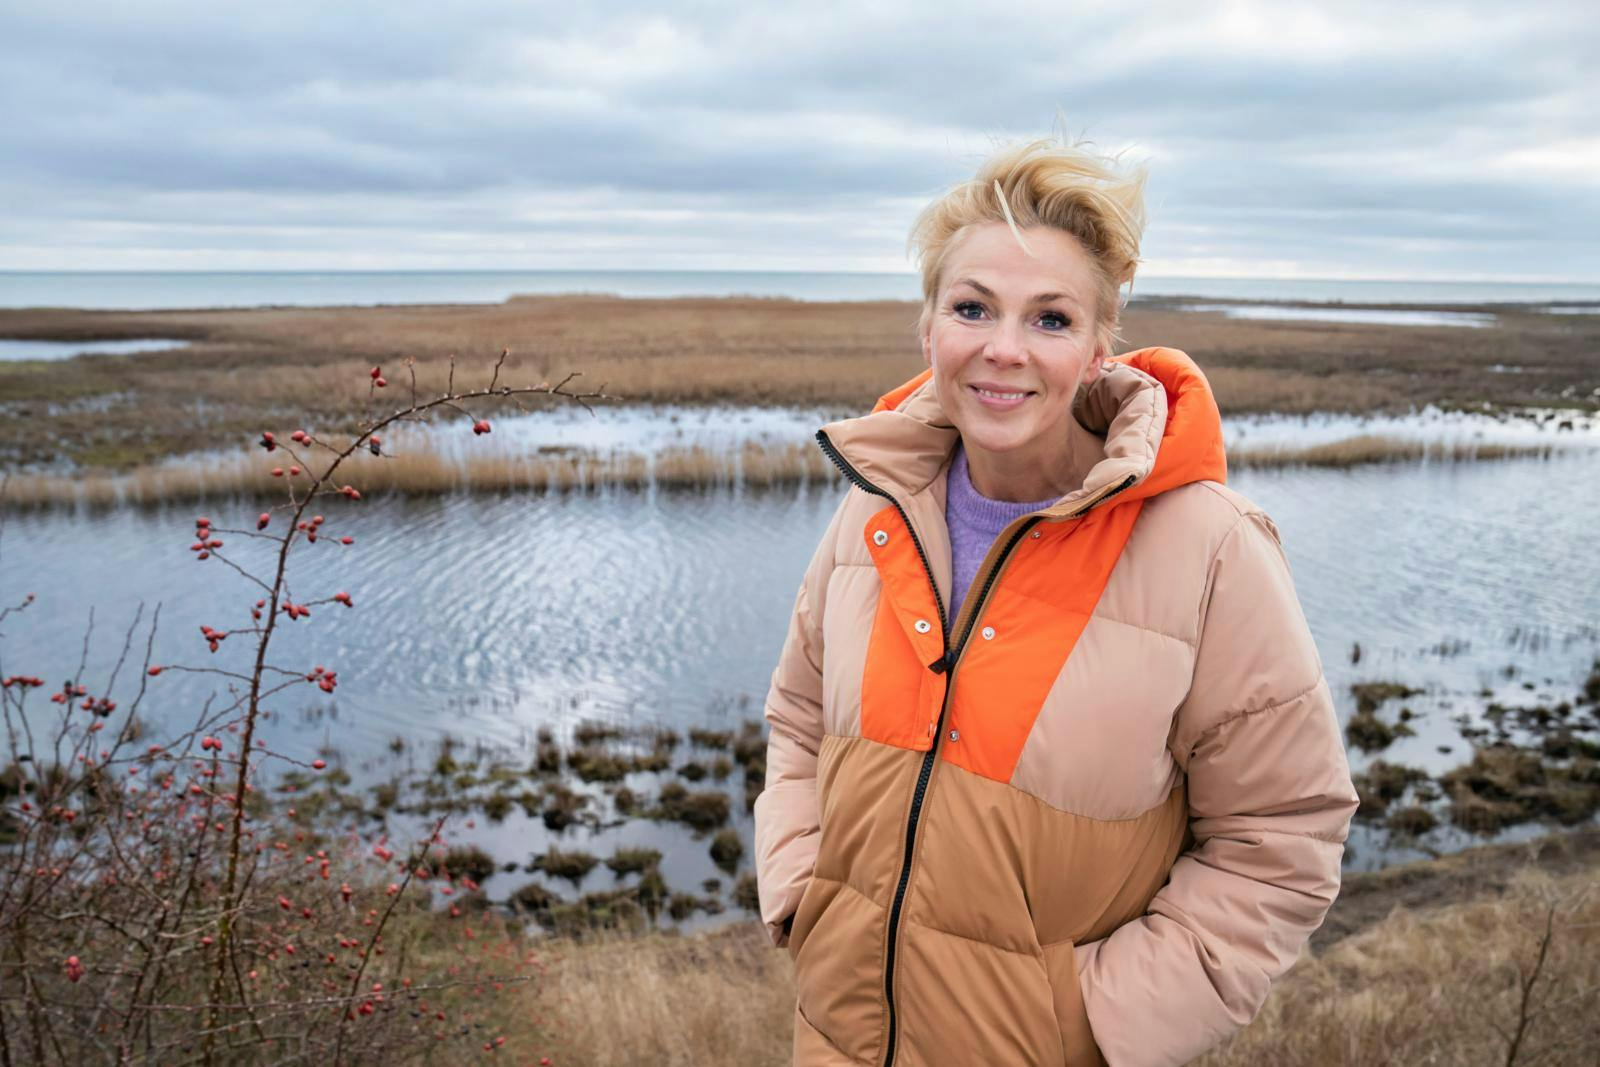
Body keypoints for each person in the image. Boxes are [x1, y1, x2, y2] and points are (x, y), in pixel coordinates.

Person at [752, 136, 1359, 1067]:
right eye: (972, 307)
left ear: (1098, 347)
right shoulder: (874, 509)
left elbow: (1281, 837)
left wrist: (1087, 1023)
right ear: (928, 330)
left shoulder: (1209, 548)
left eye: (1050, 318)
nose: (1003, 349)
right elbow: (796, 721)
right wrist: (804, 892)